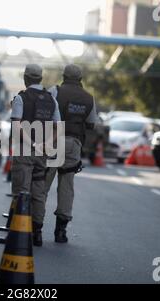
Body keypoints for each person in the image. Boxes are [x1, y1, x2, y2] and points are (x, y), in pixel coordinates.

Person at [44, 64, 98, 243]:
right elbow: (91, 124)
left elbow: (44, 114)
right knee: (66, 187)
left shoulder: (55, 91)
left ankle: (35, 226)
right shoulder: (89, 98)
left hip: (53, 141)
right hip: (74, 144)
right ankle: (61, 231)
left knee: (42, 184)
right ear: (80, 79)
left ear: (64, 76)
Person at [10, 64, 61, 247]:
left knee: (21, 191)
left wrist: (31, 143)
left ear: (25, 78)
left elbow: (17, 126)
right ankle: (37, 232)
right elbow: (58, 127)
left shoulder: (21, 98)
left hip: (25, 152)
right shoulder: (51, 100)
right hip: (42, 154)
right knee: (39, 192)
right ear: (40, 78)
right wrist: (46, 144)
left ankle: (19, 232)